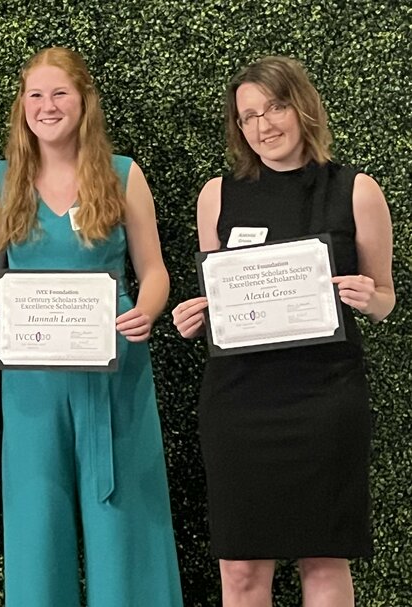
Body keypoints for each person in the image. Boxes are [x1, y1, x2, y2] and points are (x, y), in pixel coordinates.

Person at [0, 47, 183, 607]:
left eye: (59, 93)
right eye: (35, 95)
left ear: (84, 101)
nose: (47, 106)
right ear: (21, 106)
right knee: (38, 516)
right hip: (31, 376)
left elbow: (154, 271)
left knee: (125, 515)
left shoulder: (123, 174)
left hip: (115, 367)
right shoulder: (1, 178)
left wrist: (148, 311)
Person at [172, 56, 394, 607]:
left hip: (325, 399)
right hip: (239, 402)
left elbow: (386, 297)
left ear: (302, 107)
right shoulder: (217, 195)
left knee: (323, 561)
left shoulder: (356, 189)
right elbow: (219, 293)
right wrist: (193, 317)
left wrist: (372, 298)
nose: (263, 125)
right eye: (248, 116)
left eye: (274, 107)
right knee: (241, 569)